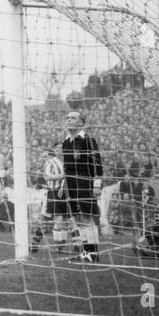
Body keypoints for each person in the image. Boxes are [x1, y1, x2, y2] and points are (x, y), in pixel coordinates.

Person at [59, 109, 104, 261]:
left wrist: (97, 184)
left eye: (72, 118)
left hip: (85, 182)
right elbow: (66, 167)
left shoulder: (88, 141)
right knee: (78, 219)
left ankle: (92, 254)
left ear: (81, 123)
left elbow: (97, 164)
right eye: (67, 117)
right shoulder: (66, 142)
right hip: (71, 185)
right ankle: (86, 253)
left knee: (87, 218)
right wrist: (63, 184)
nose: (68, 120)